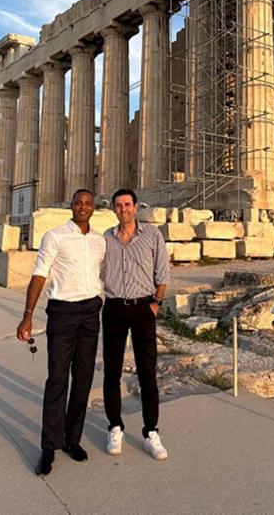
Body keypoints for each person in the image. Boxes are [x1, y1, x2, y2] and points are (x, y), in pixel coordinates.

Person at [16, 189, 106, 476]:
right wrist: (27, 315)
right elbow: (40, 274)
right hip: (62, 312)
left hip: (90, 312)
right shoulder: (54, 236)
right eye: (79, 203)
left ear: (94, 207)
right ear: (71, 206)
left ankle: (72, 439)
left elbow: (104, 273)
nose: (83, 207)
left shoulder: (99, 240)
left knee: (83, 378)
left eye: (88, 203)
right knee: (57, 379)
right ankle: (48, 446)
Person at [102, 188, 171, 460]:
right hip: (114, 307)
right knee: (112, 371)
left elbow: (162, 271)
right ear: (114, 209)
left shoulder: (152, 235)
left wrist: (156, 303)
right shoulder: (106, 237)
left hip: (144, 307)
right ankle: (115, 427)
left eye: (127, 204)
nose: (123, 209)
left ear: (136, 206)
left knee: (147, 372)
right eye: (118, 205)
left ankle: (151, 431)